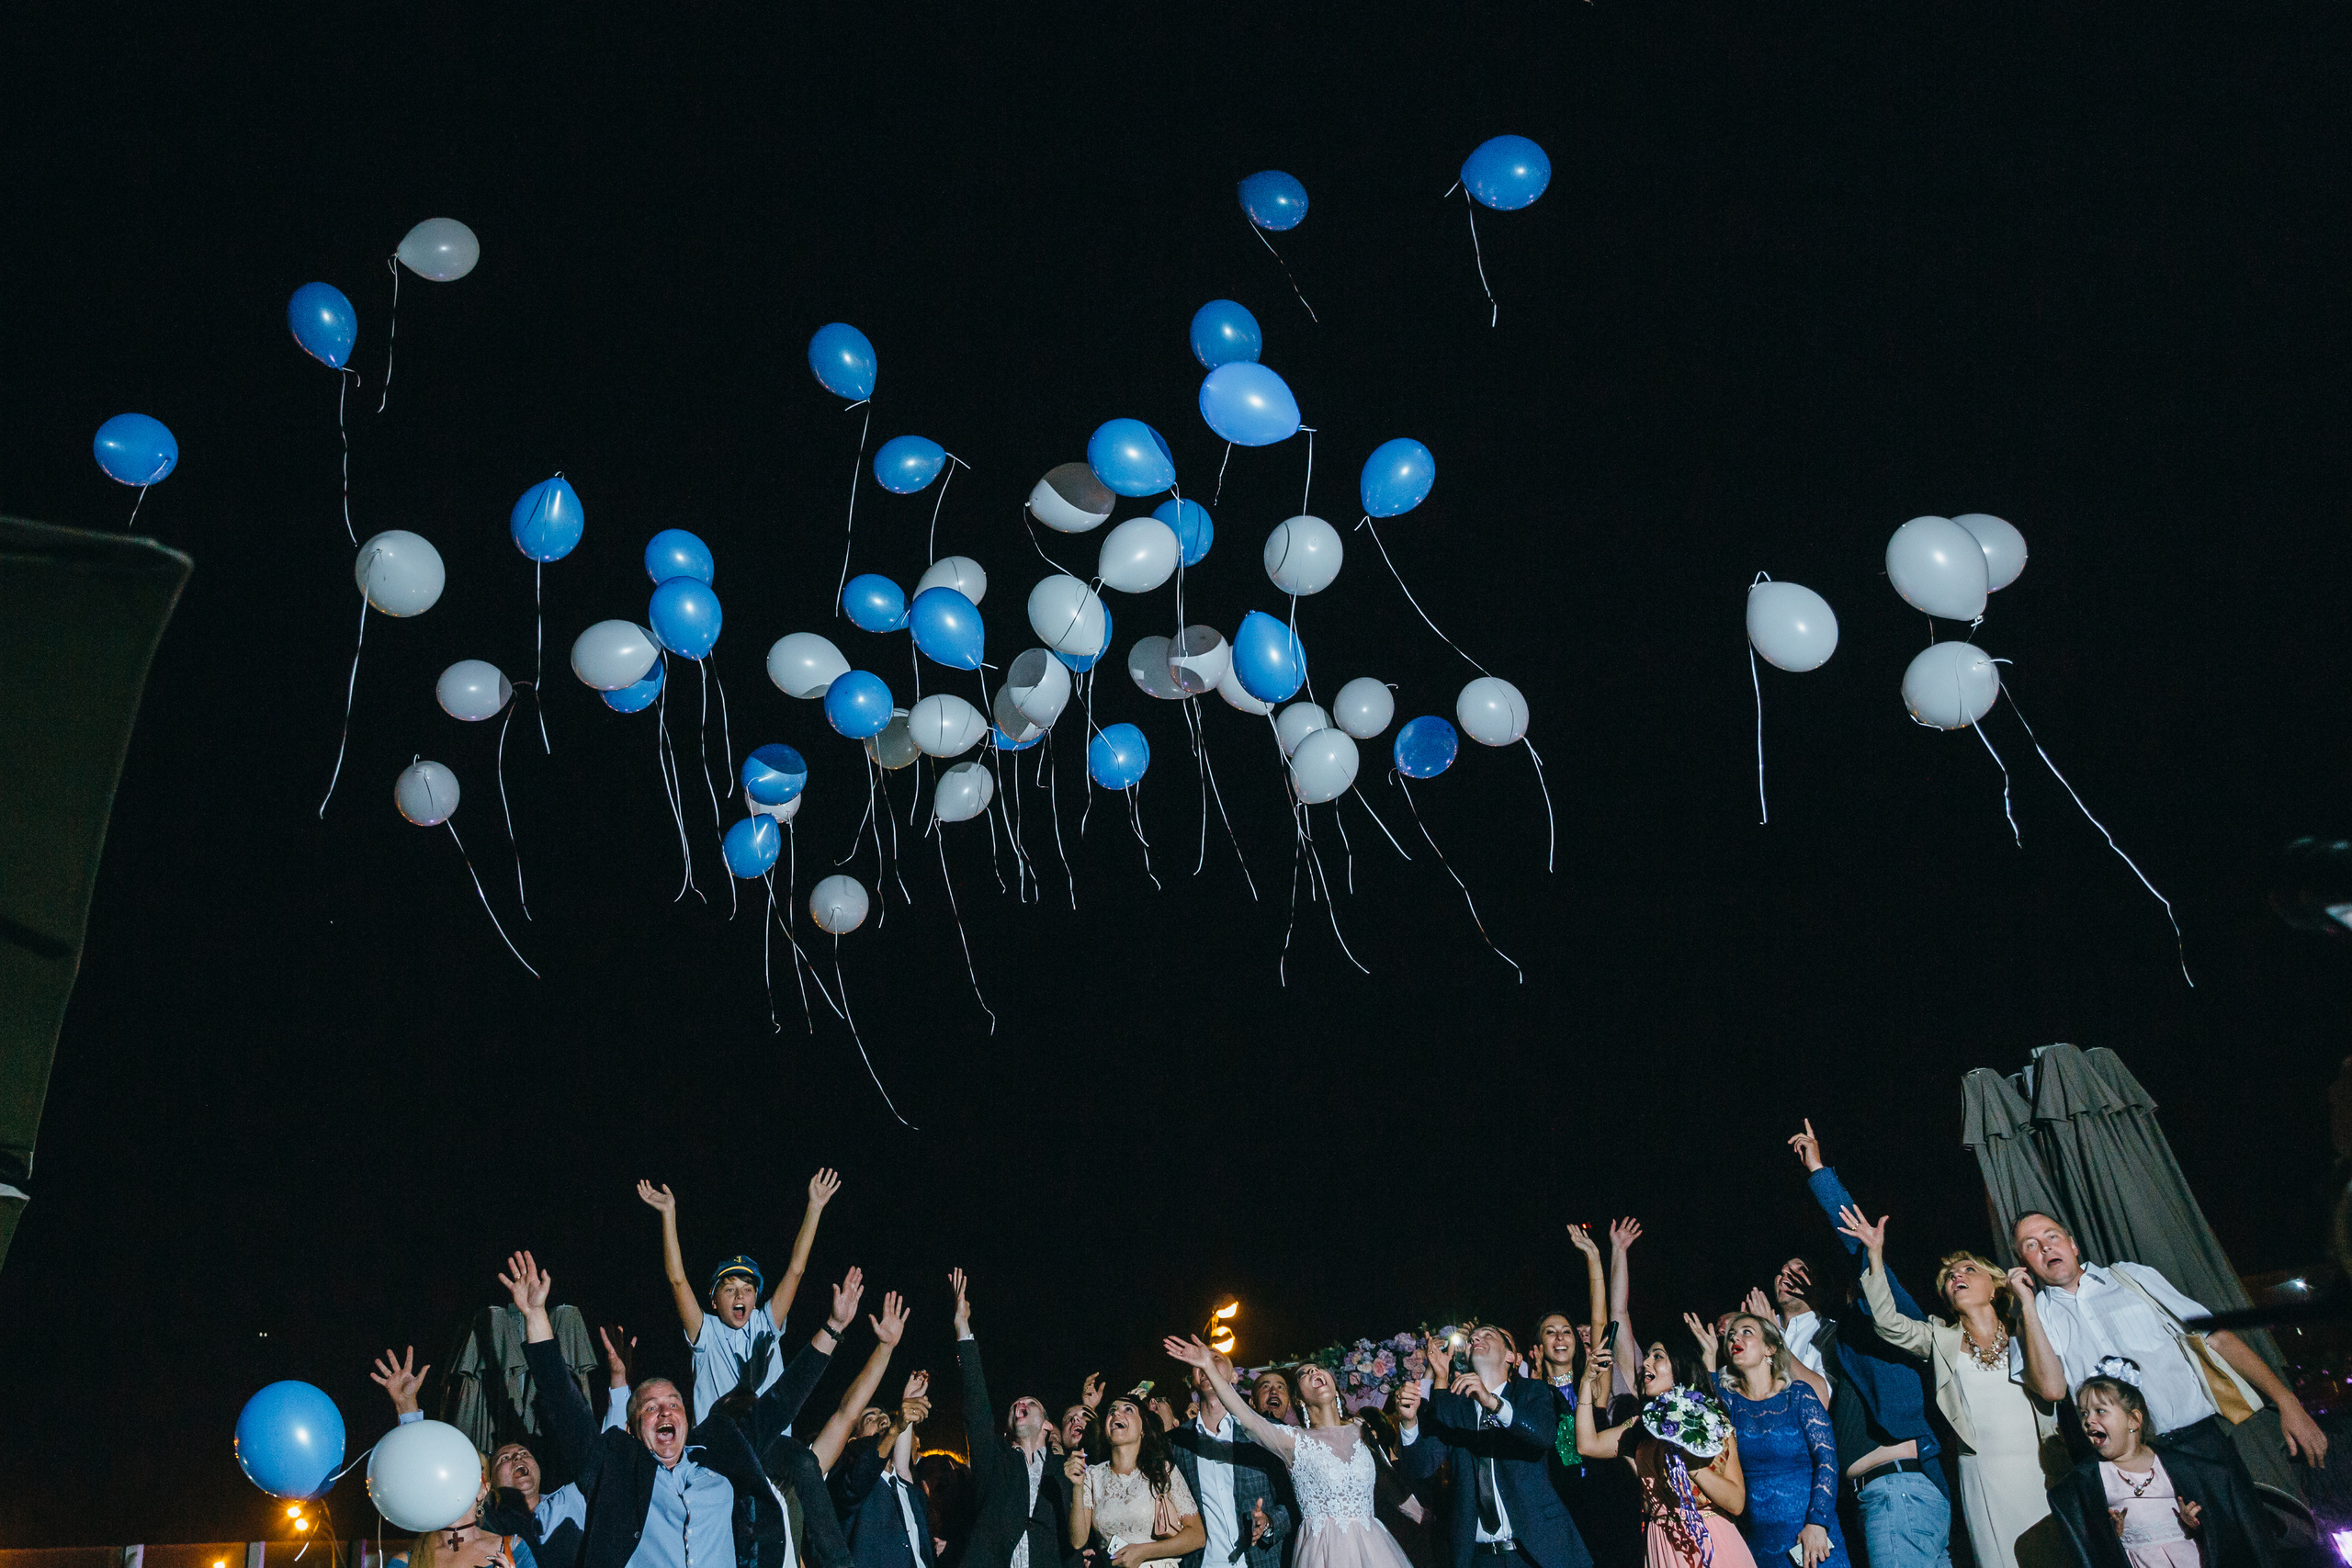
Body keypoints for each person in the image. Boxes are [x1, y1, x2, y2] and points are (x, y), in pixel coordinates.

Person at [509, 1247, 861, 1568]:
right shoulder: (617, 1469)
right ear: (631, 1429)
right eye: (650, 1407)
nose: (665, 1412)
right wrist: (536, 1315)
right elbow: (564, 1406)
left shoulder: (717, 1454)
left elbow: (782, 1400)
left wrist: (835, 1327)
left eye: (674, 1403)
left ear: (687, 1419)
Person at [2009, 1212, 2328, 1483]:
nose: (2046, 1247)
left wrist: (2287, 1401)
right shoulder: (2035, 1318)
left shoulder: (2131, 1278)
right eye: (2031, 1246)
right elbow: (2051, 1389)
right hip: (2125, 1466)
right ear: (2023, 1264)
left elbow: (2215, 1337)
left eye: (2052, 1236)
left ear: (2073, 1244)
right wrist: (2026, 1305)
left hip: (2198, 1444)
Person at [1836, 1207, 2066, 1568]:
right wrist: (1875, 1257)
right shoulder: (1939, 1338)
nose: (1956, 1276)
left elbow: (2055, 1388)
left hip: (2044, 1469)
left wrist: (2027, 1307)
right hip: (1984, 1477)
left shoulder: (2026, 1332)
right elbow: (1887, 1323)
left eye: (1968, 1270)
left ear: (1994, 1286)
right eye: (1949, 1276)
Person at [1785, 1122, 1954, 1568]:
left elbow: (1859, 1248)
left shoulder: (1899, 1320)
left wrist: (1819, 1172)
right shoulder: (1842, 1342)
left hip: (1898, 1495)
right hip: (1889, 1498)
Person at [378, 1334, 635, 1568]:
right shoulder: (487, 1522)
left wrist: (619, 1381)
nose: (517, 1458)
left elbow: (608, 1463)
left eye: (524, 1454)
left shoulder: (570, 1500)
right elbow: (429, 1477)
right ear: (488, 1486)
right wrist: (406, 1406)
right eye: (504, 1458)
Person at [1166, 1337, 1415, 1568]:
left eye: (1318, 1369)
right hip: (1321, 1552)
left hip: (1373, 1549)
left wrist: (1424, 1515)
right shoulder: (1293, 1440)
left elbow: (1391, 1481)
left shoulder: (1361, 1430)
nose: (1314, 1372)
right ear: (1299, 1400)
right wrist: (1209, 1366)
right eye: (1305, 1373)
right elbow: (1247, 1418)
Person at [637, 1169, 843, 1422]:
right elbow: (677, 1280)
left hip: (768, 1452)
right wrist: (668, 1214)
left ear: (755, 1299)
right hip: (719, 1453)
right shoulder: (706, 1333)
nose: (740, 1295)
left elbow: (796, 1270)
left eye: (747, 1289)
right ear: (714, 1300)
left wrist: (815, 1207)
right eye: (730, 1288)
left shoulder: (765, 1323)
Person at [1392, 1317, 1593, 1568]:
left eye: (1488, 1335)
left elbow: (1543, 1436)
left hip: (1536, 1553)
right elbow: (1420, 1468)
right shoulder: (1455, 1407)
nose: (1476, 1339)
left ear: (1511, 1357)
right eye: (1472, 1339)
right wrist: (1409, 1422)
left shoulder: (1532, 1392)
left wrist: (1492, 1403)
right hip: (1478, 1557)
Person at [2046, 1372, 2277, 1568]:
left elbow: (2222, 1534)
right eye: (2084, 1413)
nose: (2088, 1421)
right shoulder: (2091, 1481)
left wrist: (2193, 1523)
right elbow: (2093, 1547)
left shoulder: (2178, 1466)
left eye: (2100, 1411)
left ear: (2134, 1420)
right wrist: (2111, 1533)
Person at [1572, 1330, 1753, 1568]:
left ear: (1680, 1368)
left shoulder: (1713, 1422)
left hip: (1710, 1539)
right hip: (1661, 1541)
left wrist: (1691, 1464)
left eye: (1657, 1356)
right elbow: (1587, 1445)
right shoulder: (1640, 1428)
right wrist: (1586, 1383)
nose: (1646, 1362)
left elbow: (1737, 1502)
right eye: (1647, 1357)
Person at [951, 1269, 1077, 1568]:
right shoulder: (994, 1457)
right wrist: (962, 1327)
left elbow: (1071, 1537)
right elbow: (977, 1410)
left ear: (1048, 1424)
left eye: (1031, 1403)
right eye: (1017, 1403)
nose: (1021, 1402)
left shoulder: (1064, 1470)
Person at [1707, 1312, 1849, 1568]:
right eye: (1730, 1336)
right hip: (1757, 1546)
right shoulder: (1729, 1403)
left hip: (1810, 1540)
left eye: (1746, 1332)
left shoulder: (1798, 1395)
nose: (1735, 1338)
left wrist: (1818, 1523)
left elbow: (1827, 1460)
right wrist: (1708, 1359)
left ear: (1770, 1348)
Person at [1164, 1343, 1294, 1568]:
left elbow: (1293, 1503)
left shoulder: (1266, 1432)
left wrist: (1269, 1522)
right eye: (1200, 1360)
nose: (1206, 1364)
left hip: (1261, 1561)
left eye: (1215, 1358)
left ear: (1234, 1376)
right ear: (1192, 1379)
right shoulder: (1176, 1442)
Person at [1066, 1383, 1207, 1568]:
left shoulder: (1162, 1470)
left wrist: (1142, 1552)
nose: (1116, 1414)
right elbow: (1077, 1540)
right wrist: (1077, 1485)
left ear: (1143, 1428)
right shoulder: (1093, 1475)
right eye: (1112, 1411)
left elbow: (1197, 1536)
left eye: (1128, 1409)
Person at [838, 1373, 938, 1568]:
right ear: (853, 1440)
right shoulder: (848, 1478)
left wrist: (908, 1400)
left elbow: (902, 1467)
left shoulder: (908, 1489)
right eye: (870, 1419)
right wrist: (895, 1428)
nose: (883, 1421)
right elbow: (864, 1476)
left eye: (885, 1418)